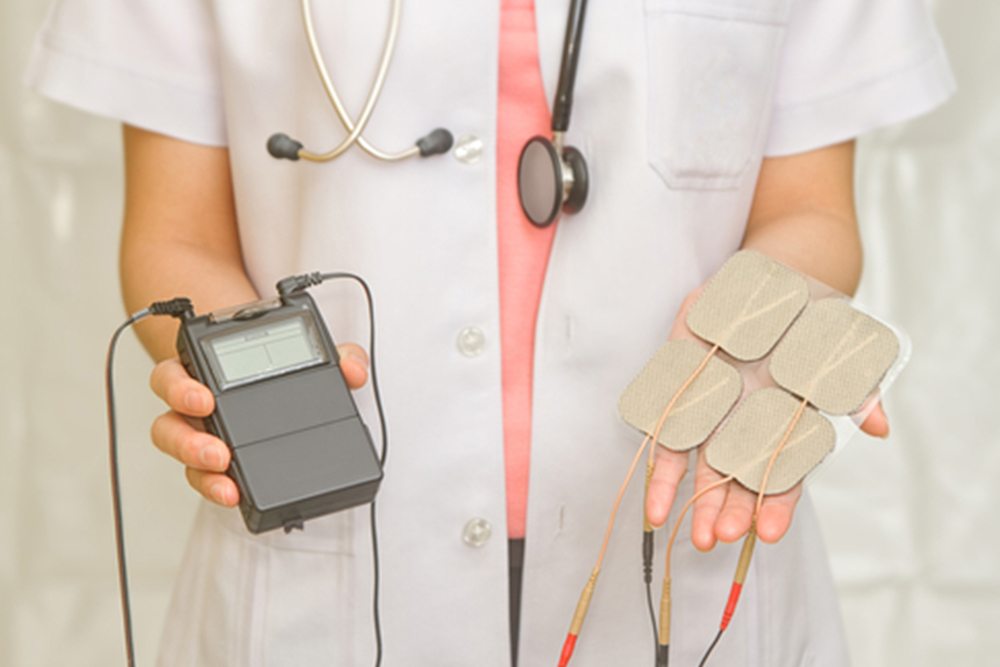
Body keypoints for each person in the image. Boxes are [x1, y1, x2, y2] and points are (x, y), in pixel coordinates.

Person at [26, 0, 954, 665]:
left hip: (681, 525)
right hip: (328, 566)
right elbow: (174, 233)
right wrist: (234, 390)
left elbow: (813, 214)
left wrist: (753, 337)